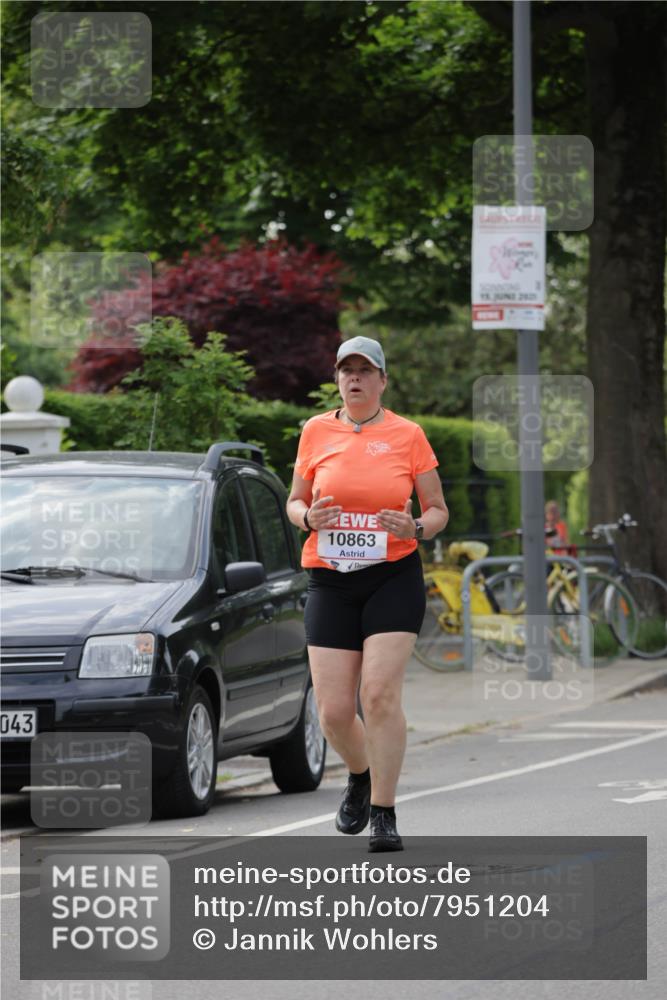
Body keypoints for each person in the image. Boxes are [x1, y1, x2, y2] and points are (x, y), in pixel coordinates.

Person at [286, 336, 449, 852]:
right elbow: (294, 501)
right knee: (333, 712)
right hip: (331, 579)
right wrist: (308, 518)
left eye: (365, 370)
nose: (354, 378)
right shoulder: (315, 431)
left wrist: (417, 525)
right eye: (346, 370)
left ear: (382, 379)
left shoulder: (408, 435)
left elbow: (439, 510)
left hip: (392, 575)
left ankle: (384, 811)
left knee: (378, 695)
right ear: (337, 378)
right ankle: (359, 773)